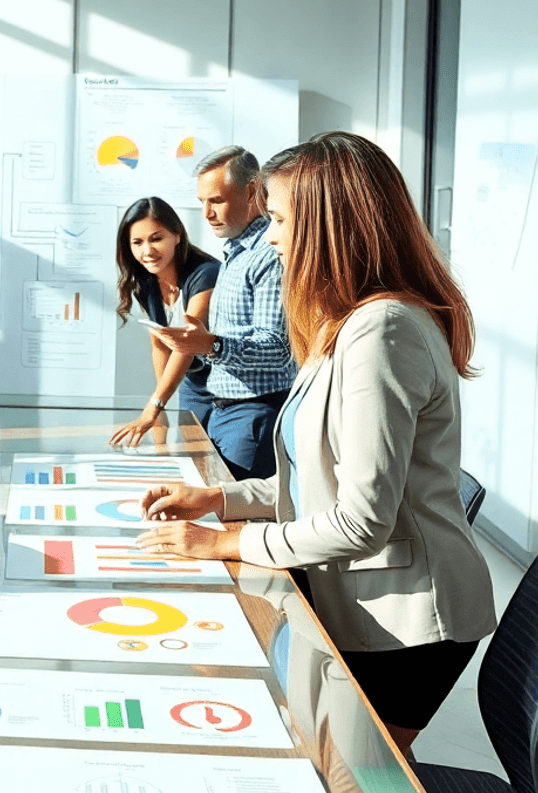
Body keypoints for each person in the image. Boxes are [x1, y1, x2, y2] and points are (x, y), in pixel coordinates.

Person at [137, 132, 496, 756]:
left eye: (277, 220)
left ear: (330, 228)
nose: (270, 238)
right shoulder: (347, 323)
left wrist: (229, 542)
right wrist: (215, 500)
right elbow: (313, 481)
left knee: (346, 780)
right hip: (368, 605)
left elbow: (360, 520)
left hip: (409, 625)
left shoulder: (383, 330)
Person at [156, 146, 296, 479]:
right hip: (222, 412)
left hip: (253, 415)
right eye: (202, 202)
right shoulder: (236, 253)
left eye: (216, 200)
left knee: (238, 518)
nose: (206, 213)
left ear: (251, 193)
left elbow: (277, 348)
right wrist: (196, 346)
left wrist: (211, 345)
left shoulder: (268, 254)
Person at [109, 197, 219, 448]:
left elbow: (186, 346)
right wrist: (161, 408)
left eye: (156, 238)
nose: (147, 251)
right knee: (196, 462)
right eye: (137, 242)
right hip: (194, 388)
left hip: (229, 391)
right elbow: (160, 345)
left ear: (177, 235)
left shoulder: (206, 274)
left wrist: (153, 407)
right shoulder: (145, 282)